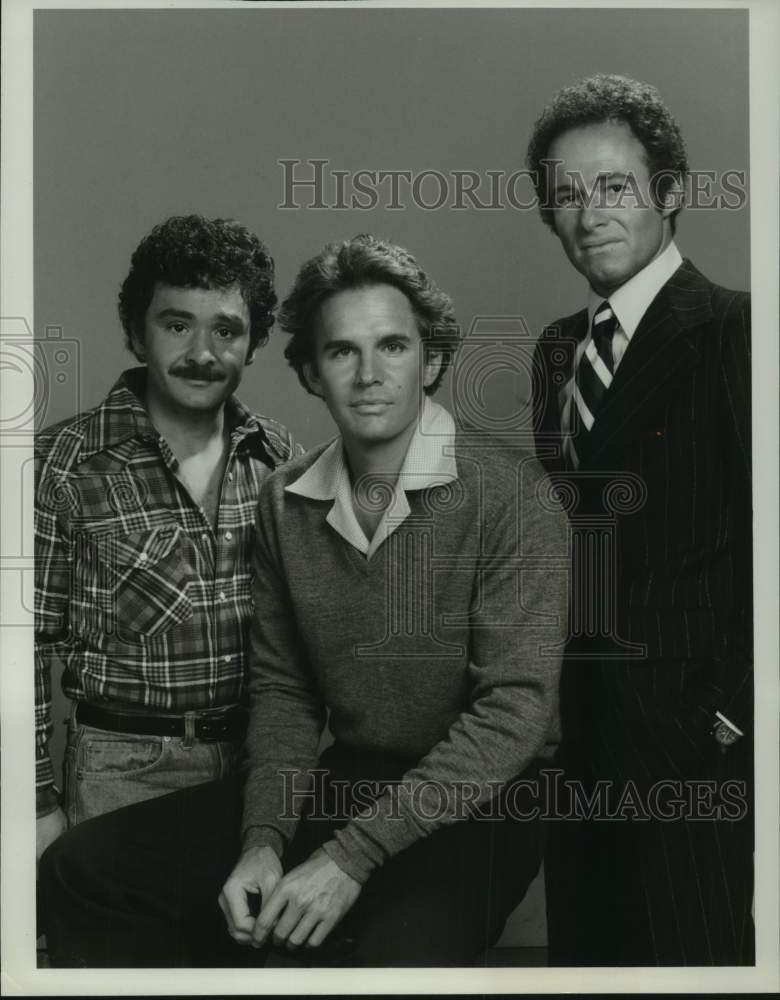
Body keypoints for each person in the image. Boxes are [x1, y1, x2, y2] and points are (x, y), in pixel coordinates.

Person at [40, 235, 569, 968]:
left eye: (393, 346)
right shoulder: (285, 500)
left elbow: (513, 711)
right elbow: (285, 694)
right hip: (349, 780)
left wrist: (348, 860)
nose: (370, 374)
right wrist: (265, 843)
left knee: (375, 964)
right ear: (312, 373)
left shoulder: (513, 494)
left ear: (434, 361)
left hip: (487, 799)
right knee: (83, 866)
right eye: (342, 352)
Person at [527, 74, 753, 965]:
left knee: (690, 958)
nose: (590, 214)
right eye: (566, 196)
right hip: (574, 741)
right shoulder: (555, 350)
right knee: (584, 964)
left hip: (695, 742)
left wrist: (731, 716)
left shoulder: (739, 331)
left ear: (670, 192)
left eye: (614, 186)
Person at [35, 215, 301, 864]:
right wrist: (37, 802)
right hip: (121, 771)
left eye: (227, 330)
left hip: (252, 774)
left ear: (256, 343)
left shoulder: (282, 459)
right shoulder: (64, 463)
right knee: (118, 962)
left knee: (232, 959)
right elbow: (18, 650)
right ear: (136, 333)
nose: (202, 353)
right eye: (177, 325)